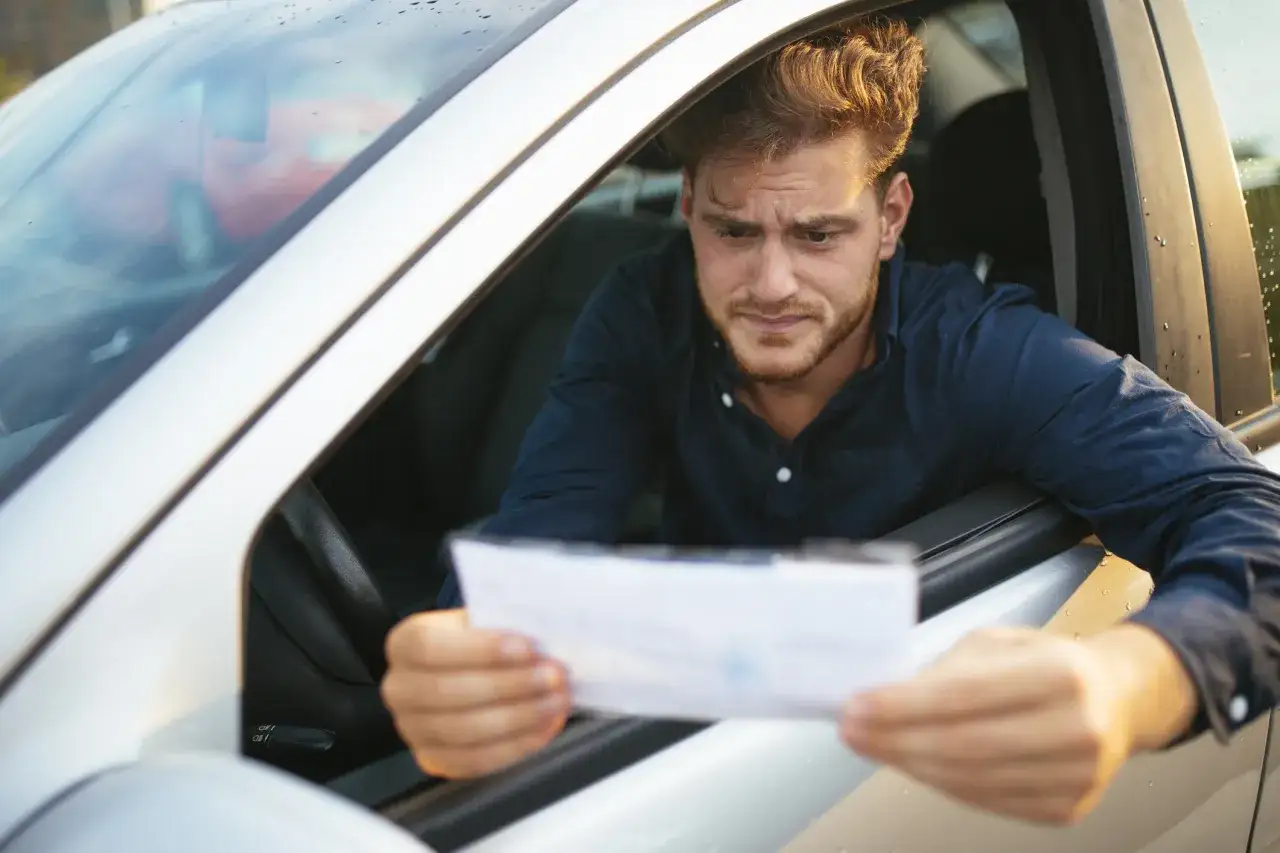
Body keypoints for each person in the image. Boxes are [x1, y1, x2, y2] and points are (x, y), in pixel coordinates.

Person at [379, 18, 1280, 825]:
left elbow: (1256, 521)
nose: (771, 286)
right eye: (734, 232)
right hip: (678, 774)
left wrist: (1128, 684)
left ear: (890, 218)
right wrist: (465, 670)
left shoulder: (984, 350)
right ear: (687, 207)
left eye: (818, 235)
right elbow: (539, 538)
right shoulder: (644, 311)